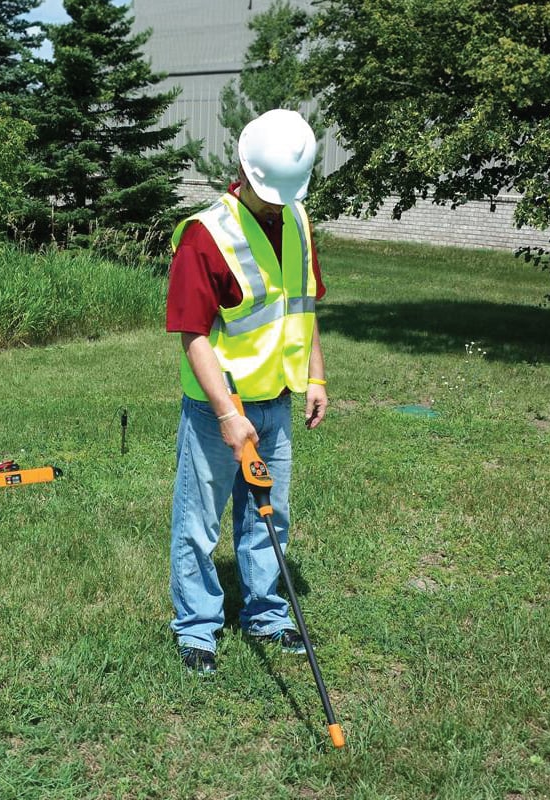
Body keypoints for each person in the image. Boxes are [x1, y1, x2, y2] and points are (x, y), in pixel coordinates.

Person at [165, 109, 328, 674]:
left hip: (277, 399)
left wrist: (315, 375)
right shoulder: (205, 235)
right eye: (270, 195)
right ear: (242, 170)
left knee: (269, 516)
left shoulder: (298, 219)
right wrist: (227, 415)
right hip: (219, 408)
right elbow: (192, 334)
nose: (277, 205)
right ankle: (197, 628)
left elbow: (303, 304)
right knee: (199, 523)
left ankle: (266, 614)